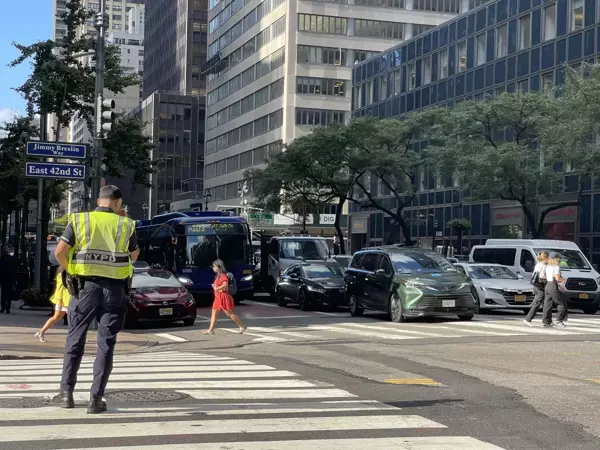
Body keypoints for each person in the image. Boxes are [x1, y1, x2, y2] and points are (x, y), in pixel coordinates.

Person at [51, 185, 139, 414]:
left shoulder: (80, 220)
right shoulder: (126, 224)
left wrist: (69, 270)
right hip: (115, 290)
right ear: (118, 204)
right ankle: (96, 399)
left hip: (85, 288)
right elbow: (134, 254)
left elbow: (59, 251)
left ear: (99, 200)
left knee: (75, 339)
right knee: (106, 344)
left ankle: (66, 394)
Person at [203, 259, 246, 335]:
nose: (213, 268)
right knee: (214, 312)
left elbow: (225, 285)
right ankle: (210, 330)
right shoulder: (218, 276)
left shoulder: (223, 275)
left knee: (229, 313)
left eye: (214, 266)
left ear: (219, 267)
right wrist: (216, 287)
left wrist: (217, 288)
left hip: (223, 297)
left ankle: (242, 326)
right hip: (218, 297)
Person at [35, 268, 71, 342]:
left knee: (57, 317)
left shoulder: (63, 273)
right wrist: (60, 301)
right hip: (64, 300)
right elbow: (60, 288)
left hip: (65, 299)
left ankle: (41, 332)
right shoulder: (63, 274)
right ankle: (75, 336)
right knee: (71, 319)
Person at [541, 252, 568, 328]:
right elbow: (557, 278)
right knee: (561, 304)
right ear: (556, 259)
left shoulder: (547, 267)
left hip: (547, 285)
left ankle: (546, 321)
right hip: (553, 285)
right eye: (558, 259)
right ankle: (559, 320)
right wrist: (565, 280)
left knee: (547, 304)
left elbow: (544, 276)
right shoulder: (556, 267)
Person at [523, 251, 549, 327]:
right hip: (539, 286)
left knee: (545, 303)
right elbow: (541, 276)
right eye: (548, 258)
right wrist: (548, 278)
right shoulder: (541, 265)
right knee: (538, 303)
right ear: (545, 258)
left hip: (538, 285)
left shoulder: (540, 264)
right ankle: (528, 319)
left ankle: (546, 321)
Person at [0, 246, 17, 313]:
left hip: (3, 279)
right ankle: (8, 308)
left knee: (3, 294)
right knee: (9, 294)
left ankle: (3, 307)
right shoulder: (13, 259)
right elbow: (15, 270)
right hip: (10, 279)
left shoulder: (1, 259)